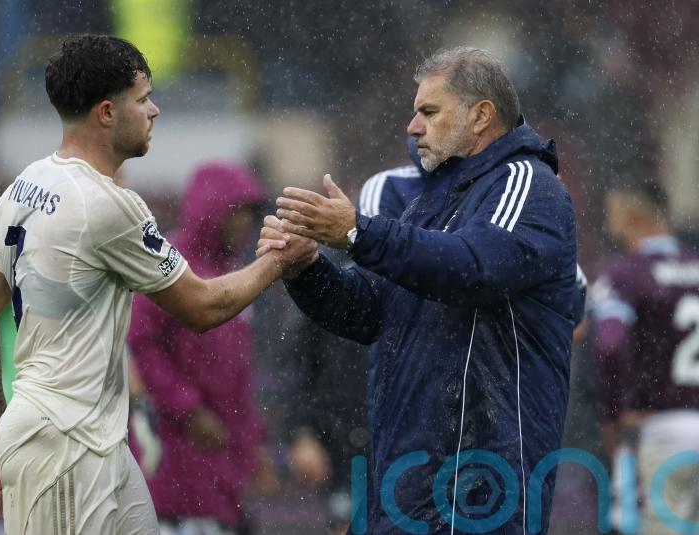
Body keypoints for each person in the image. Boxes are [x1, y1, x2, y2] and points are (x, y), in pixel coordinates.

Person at [0, 34, 314, 534]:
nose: (155, 110)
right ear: (106, 112)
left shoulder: (24, 185)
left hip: (89, 443)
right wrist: (278, 260)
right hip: (66, 450)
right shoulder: (108, 205)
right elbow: (204, 307)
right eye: (142, 98)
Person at [258, 47, 579, 533]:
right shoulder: (431, 203)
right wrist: (306, 268)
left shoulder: (526, 183)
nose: (412, 127)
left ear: (480, 116)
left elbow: (474, 268)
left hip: (478, 488)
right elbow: (368, 314)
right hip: (405, 486)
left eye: (429, 112)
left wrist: (358, 233)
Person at [127, 162, 277, 535]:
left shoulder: (234, 275)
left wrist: (251, 441)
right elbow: (139, 344)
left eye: (249, 215)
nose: (245, 224)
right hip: (172, 462)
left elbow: (239, 376)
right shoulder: (167, 264)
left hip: (219, 469)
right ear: (213, 211)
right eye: (237, 213)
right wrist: (187, 409)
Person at [591, 182, 699, 534]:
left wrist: (615, 413)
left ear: (630, 216)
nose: (610, 227)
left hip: (659, 427)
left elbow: (609, 345)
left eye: (612, 216)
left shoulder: (626, 274)